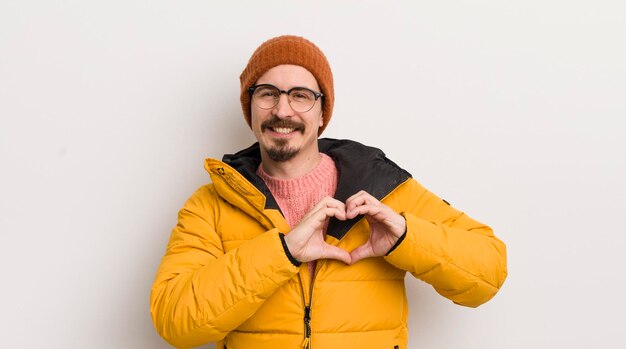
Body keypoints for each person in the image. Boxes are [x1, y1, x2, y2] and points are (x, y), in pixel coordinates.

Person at [150, 35, 507, 349]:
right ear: (251, 108)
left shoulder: (386, 190)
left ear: (323, 112)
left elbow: (489, 271)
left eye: (301, 96)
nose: (282, 110)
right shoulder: (211, 205)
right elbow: (175, 322)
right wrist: (284, 252)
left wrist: (405, 237)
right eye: (268, 94)